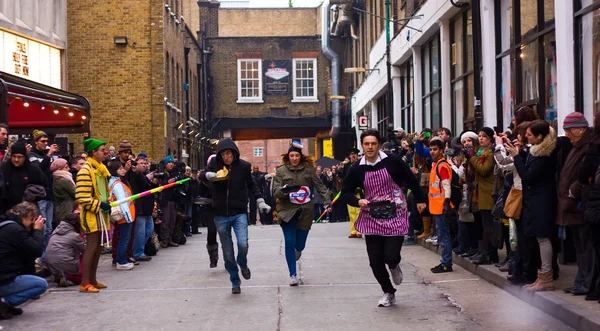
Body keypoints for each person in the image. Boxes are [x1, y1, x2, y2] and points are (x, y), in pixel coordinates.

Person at [342, 129, 426, 307]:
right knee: (375, 261)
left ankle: (394, 265)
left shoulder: (393, 161)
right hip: (372, 214)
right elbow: (346, 192)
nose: (370, 147)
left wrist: (420, 199)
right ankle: (388, 292)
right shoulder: (357, 168)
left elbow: (410, 179)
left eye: (373, 143)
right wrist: (358, 201)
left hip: (394, 211)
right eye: (367, 144)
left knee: (390, 255)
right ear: (362, 145)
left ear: (379, 144)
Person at [203, 138, 271, 294]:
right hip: (220, 214)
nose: (227, 157)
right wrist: (209, 175)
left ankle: (243, 262)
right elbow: (201, 175)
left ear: (234, 153)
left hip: (239, 212)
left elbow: (252, 185)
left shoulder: (244, 167)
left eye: (229, 153)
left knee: (242, 244)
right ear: (220, 156)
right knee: (227, 253)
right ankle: (235, 280)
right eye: (224, 154)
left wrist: (260, 201)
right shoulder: (215, 165)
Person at [509, 120, 558, 291]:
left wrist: (516, 156)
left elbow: (527, 176)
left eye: (529, 135)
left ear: (539, 137)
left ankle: (546, 277)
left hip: (542, 201)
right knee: (538, 238)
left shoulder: (543, 155)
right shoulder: (536, 151)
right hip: (536, 200)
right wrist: (520, 153)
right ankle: (541, 276)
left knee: (543, 238)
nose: (526, 137)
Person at [273, 143, 331, 285]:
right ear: (288, 157)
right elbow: (276, 191)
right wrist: (285, 190)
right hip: (287, 212)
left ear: (301, 157)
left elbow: (320, 187)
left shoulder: (309, 170)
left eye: (297, 155)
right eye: (292, 156)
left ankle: (297, 250)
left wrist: (327, 202)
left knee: (300, 244)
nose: (294, 158)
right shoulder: (281, 171)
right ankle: (293, 274)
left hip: (305, 211)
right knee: (289, 241)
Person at [557, 112, 594, 295]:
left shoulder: (587, 146)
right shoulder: (576, 146)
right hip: (570, 204)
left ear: (580, 129)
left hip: (578, 204)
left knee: (586, 247)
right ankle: (581, 281)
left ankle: (585, 283)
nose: (567, 135)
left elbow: (585, 173)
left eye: (570, 131)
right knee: (579, 246)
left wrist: (573, 190)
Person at [0, 202, 48, 319]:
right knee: (41, 285)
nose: (32, 223)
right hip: (4, 279)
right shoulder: (15, 230)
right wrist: (37, 231)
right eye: (32, 220)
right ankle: (4, 302)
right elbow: (36, 250)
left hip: (4, 275)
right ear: (25, 216)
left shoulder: (6, 225)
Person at [76, 138, 111, 293]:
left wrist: (108, 201)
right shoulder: (85, 171)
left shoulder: (101, 169)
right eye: (102, 150)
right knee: (91, 247)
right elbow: (82, 197)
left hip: (101, 215)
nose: (105, 152)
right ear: (93, 152)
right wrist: (99, 204)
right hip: (91, 215)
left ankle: (93, 279)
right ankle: (85, 283)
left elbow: (102, 192)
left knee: (98, 247)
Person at [465, 127, 498, 265]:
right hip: (481, 191)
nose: (481, 138)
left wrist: (472, 157)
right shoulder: (480, 151)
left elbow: (484, 170)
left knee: (489, 224)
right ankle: (485, 252)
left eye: (484, 136)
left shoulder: (490, 152)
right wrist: (470, 158)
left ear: (490, 138)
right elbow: (475, 170)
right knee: (485, 224)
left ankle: (489, 254)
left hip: (488, 192)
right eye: (479, 136)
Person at [428, 137, 455, 273]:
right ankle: (445, 262)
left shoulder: (441, 165)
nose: (432, 152)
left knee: (444, 236)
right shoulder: (437, 164)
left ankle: (446, 264)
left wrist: (446, 202)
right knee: (442, 235)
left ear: (441, 150)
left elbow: (446, 185)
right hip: (437, 207)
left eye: (435, 149)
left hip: (441, 207)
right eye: (431, 149)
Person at [28, 129, 58, 247]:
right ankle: (40, 255)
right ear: (36, 142)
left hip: (50, 194)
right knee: (43, 227)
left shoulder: (45, 155)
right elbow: (38, 170)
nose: (45, 143)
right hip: (40, 195)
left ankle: (46, 256)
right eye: (42, 141)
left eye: (46, 141)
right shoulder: (31, 155)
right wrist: (49, 155)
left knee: (49, 228)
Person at [1, 140, 48, 214]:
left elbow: (45, 185)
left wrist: (35, 194)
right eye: (14, 156)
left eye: (20, 157)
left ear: (25, 157)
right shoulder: (4, 168)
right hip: (6, 210)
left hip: (28, 211)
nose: (16, 160)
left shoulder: (33, 169)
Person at [108, 160, 136, 270]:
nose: (123, 170)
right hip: (125, 215)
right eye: (119, 169)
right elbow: (122, 201)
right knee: (124, 240)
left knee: (123, 239)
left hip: (126, 214)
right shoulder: (117, 184)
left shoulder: (115, 182)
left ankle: (121, 260)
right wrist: (128, 216)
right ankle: (121, 261)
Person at [45, 213, 85, 287]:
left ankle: (60, 275)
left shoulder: (55, 232)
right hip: (65, 262)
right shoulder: (74, 235)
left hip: (50, 262)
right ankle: (67, 275)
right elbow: (85, 250)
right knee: (83, 256)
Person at [200, 154, 219, 268]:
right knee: (212, 231)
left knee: (224, 233)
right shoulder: (204, 177)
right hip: (210, 207)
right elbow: (200, 193)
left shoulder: (225, 173)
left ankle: (228, 258)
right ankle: (213, 257)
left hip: (222, 207)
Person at [157, 155, 179, 248]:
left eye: (172, 163)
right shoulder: (161, 173)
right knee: (165, 221)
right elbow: (159, 186)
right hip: (165, 201)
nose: (171, 165)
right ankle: (164, 239)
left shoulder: (173, 173)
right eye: (169, 163)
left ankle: (169, 239)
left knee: (172, 221)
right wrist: (167, 183)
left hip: (172, 200)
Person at [52, 158, 77, 224]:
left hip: (61, 210)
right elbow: (76, 193)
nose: (68, 169)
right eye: (66, 167)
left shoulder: (57, 179)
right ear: (59, 169)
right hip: (66, 211)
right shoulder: (63, 180)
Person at [345, 148, 362, 238]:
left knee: (359, 212)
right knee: (351, 212)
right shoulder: (346, 166)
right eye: (351, 154)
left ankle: (359, 230)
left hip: (359, 190)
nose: (353, 155)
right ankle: (353, 231)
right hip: (350, 191)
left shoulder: (361, 164)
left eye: (354, 154)